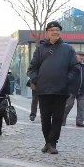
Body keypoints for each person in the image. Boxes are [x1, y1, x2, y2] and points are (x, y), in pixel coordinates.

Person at [27, 21, 78, 154]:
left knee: (57, 118)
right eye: (52, 30)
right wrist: (37, 80)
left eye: (57, 29)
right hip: (43, 90)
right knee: (45, 118)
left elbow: (75, 68)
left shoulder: (68, 49)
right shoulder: (40, 48)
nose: (55, 32)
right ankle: (47, 142)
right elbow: (32, 68)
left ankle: (52, 143)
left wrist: (67, 80)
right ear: (47, 32)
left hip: (61, 90)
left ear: (60, 32)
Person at [63, 50, 84, 127]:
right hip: (72, 89)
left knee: (81, 107)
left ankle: (79, 121)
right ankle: (62, 119)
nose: (81, 57)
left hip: (82, 91)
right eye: (80, 56)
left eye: (82, 56)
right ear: (76, 56)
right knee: (68, 105)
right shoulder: (72, 65)